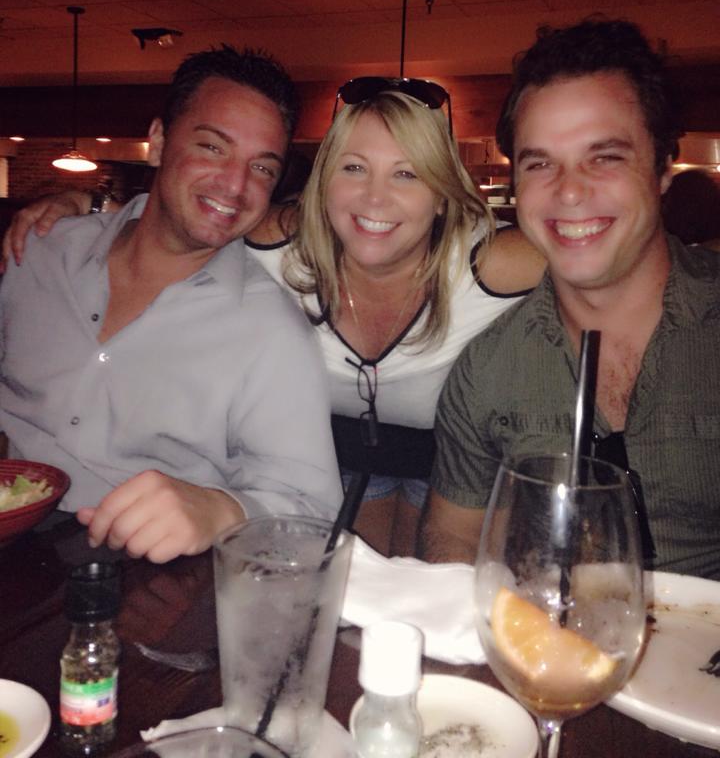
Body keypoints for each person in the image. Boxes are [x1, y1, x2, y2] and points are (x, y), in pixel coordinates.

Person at [4, 77, 545, 557]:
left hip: (449, 466)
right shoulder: (276, 244)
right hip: (328, 458)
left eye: (407, 174)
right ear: (325, 182)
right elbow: (199, 210)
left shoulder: (489, 265)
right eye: (354, 168)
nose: (375, 198)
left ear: (442, 196)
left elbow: (586, 256)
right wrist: (86, 208)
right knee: (350, 596)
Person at [0, 45, 342, 563]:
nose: (236, 185)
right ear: (158, 142)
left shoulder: (272, 332)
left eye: (262, 168)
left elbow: (314, 515)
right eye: (213, 147)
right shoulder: (39, 252)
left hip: (145, 575)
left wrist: (224, 509)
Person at [419, 18, 720, 580]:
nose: (570, 190)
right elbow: (453, 538)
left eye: (604, 157)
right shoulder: (486, 371)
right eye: (540, 163)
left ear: (662, 168)